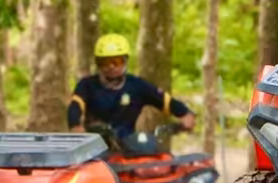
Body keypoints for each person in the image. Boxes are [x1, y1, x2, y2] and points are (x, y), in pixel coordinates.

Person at [67, 33, 197, 139]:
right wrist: (75, 126)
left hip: (128, 147)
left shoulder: (137, 86)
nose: (111, 67)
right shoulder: (87, 85)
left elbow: (165, 100)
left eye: (116, 61)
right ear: (98, 64)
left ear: (125, 62)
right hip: (94, 147)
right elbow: (75, 106)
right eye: (104, 62)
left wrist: (185, 114)